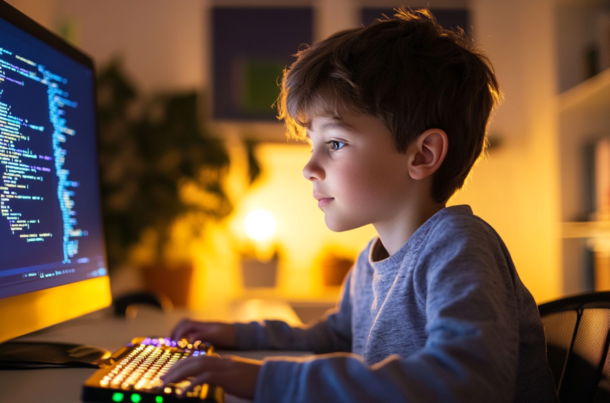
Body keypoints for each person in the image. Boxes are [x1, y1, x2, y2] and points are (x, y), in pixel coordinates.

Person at [161, 8, 558, 403]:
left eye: (335, 143)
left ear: (422, 155)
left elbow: (466, 382)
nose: (309, 168)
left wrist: (268, 380)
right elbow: (334, 336)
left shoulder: (458, 247)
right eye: (311, 144)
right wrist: (238, 336)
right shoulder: (370, 263)